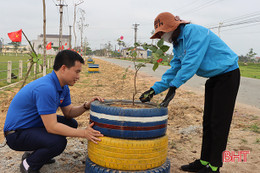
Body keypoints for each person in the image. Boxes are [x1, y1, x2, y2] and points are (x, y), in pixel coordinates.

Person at [139, 12, 240, 173]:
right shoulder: (178, 43)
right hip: (214, 78)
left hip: (227, 75)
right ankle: (204, 161)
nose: (162, 37)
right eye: (159, 34)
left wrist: (174, 87)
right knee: (208, 122)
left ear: (172, 27)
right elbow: (174, 69)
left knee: (219, 123)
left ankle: (214, 167)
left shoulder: (194, 32)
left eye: (162, 32)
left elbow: (191, 63)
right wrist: (154, 90)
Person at [3, 50, 104, 173]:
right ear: (63, 68)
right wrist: (84, 133)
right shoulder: (46, 88)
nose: (78, 77)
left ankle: (35, 153)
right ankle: (29, 164)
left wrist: (86, 106)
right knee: (58, 143)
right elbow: (52, 127)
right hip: (16, 134)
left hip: (31, 126)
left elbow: (69, 112)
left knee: (71, 123)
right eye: (77, 72)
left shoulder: (63, 87)